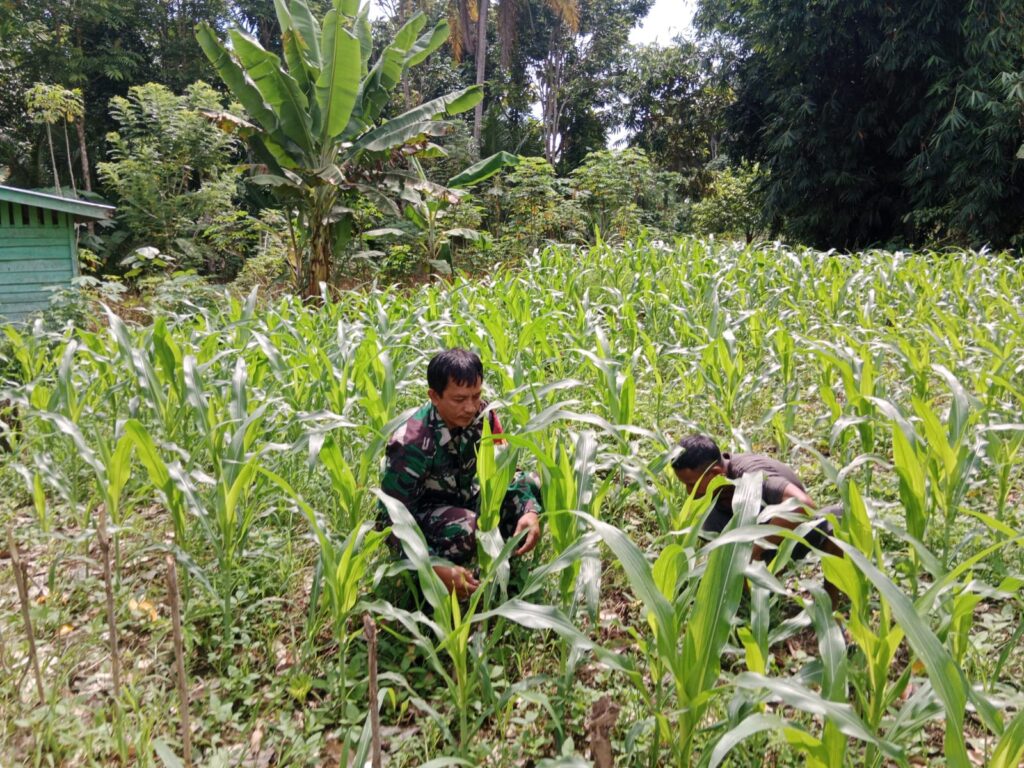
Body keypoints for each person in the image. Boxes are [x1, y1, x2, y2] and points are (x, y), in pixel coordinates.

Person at [380, 348, 542, 599]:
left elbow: (506, 474)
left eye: (476, 396)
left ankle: (501, 552)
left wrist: (529, 511)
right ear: (434, 396)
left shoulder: (484, 416)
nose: (470, 407)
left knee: (534, 483)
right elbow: (392, 523)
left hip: (467, 497)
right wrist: (431, 568)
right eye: (459, 400)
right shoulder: (411, 444)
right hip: (425, 517)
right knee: (469, 527)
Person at [671, 433, 844, 569]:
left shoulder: (752, 475)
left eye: (691, 484)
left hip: (796, 532)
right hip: (759, 535)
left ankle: (831, 605)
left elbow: (803, 505)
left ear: (716, 473)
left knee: (835, 521)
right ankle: (753, 596)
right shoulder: (713, 493)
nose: (689, 493)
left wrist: (753, 550)